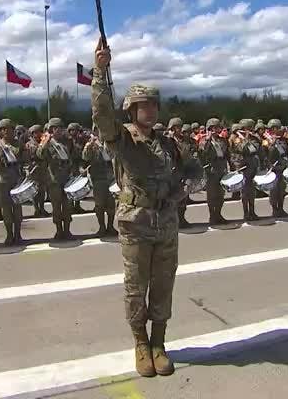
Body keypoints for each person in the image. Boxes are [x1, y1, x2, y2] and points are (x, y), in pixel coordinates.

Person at [92, 37, 201, 378]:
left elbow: (196, 172)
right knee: (136, 285)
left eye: (153, 105)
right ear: (132, 110)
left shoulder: (169, 143)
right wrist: (100, 71)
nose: (150, 110)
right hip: (135, 222)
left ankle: (159, 342)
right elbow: (101, 114)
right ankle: (140, 344)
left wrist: (180, 193)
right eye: (143, 105)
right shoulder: (122, 139)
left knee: (164, 282)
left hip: (166, 222)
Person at [0, 118, 26, 245]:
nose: (8, 131)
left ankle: (18, 234)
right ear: (1, 131)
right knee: (6, 209)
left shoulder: (18, 143)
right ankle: (9, 234)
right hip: (3, 180)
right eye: (5, 129)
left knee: (17, 208)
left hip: (16, 178)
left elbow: (25, 158)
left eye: (10, 129)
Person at [37, 117, 74, 241]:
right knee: (56, 207)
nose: (59, 130)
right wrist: (45, 142)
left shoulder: (67, 141)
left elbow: (73, 156)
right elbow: (40, 155)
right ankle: (59, 231)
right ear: (51, 129)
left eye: (60, 128)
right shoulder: (47, 142)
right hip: (54, 179)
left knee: (68, 206)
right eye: (56, 128)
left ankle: (68, 230)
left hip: (66, 177)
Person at [82, 127, 117, 236]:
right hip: (98, 178)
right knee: (99, 205)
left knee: (111, 204)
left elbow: (112, 157)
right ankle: (102, 227)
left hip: (111, 177)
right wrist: (89, 146)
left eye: (100, 130)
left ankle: (110, 226)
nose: (99, 132)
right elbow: (85, 157)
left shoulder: (110, 143)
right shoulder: (91, 145)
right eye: (96, 131)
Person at [168, 118, 199, 227]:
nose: (179, 129)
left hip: (183, 170)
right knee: (172, 198)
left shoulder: (185, 140)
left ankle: (181, 219)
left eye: (180, 127)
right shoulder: (167, 140)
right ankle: (173, 221)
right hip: (172, 172)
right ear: (172, 128)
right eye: (177, 127)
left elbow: (192, 150)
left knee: (183, 196)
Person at [199, 117, 228, 224]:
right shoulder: (204, 141)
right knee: (212, 195)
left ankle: (218, 214)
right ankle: (212, 216)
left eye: (218, 128)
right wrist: (208, 139)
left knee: (221, 194)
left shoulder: (223, 140)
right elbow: (203, 153)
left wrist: (231, 167)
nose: (217, 130)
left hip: (221, 167)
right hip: (211, 169)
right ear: (209, 129)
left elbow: (227, 154)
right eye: (214, 128)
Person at [230, 119, 260, 221]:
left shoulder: (254, 138)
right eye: (249, 128)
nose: (251, 130)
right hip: (243, 167)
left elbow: (256, 148)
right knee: (245, 191)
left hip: (252, 166)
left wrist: (249, 138)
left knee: (252, 191)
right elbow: (241, 149)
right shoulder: (236, 138)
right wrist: (245, 138)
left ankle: (252, 211)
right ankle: (246, 213)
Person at [262, 119, 288, 217]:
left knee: (282, 189)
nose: (277, 130)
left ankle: (281, 208)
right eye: (275, 128)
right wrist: (272, 143)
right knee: (274, 190)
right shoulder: (266, 141)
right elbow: (268, 155)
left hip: (283, 166)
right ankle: (275, 209)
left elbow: (287, 152)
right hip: (273, 167)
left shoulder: (283, 140)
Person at [24, 124, 49, 217]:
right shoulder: (28, 144)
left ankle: (42, 208)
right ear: (32, 134)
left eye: (40, 131)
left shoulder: (44, 142)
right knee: (34, 191)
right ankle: (36, 209)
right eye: (36, 132)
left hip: (43, 168)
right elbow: (27, 158)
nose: (39, 134)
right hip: (34, 169)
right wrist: (28, 169)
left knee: (42, 191)